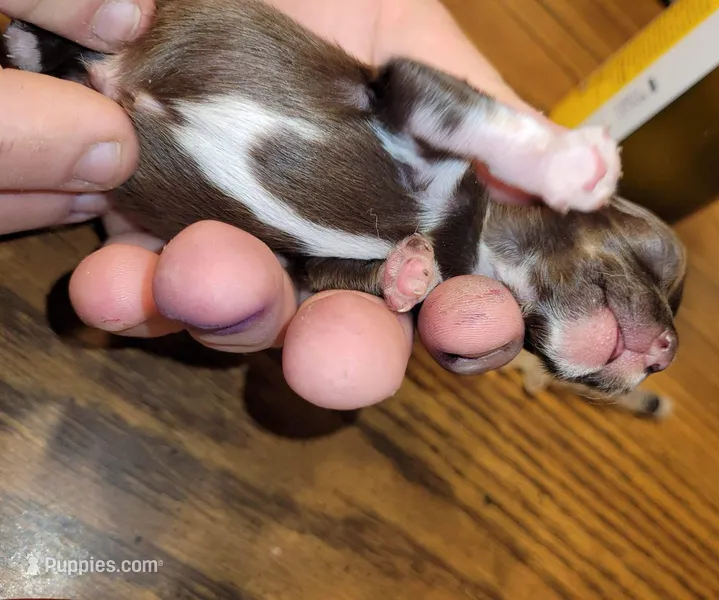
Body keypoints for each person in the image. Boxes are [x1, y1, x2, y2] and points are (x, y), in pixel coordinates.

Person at [0, 0, 555, 409]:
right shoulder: (475, 186)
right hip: (174, 41)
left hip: (118, 129)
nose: (646, 357)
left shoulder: (447, 260)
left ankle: (45, 62)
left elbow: (318, 270)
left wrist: (380, 279)